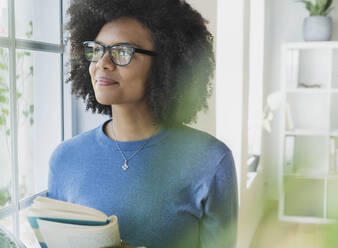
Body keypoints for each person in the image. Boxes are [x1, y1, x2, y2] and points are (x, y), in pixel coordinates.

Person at [47, 0, 238, 247]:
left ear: (166, 64)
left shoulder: (211, 161)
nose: (102, 63)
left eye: (122, 52)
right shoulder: (65, 159)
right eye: (97, 49)